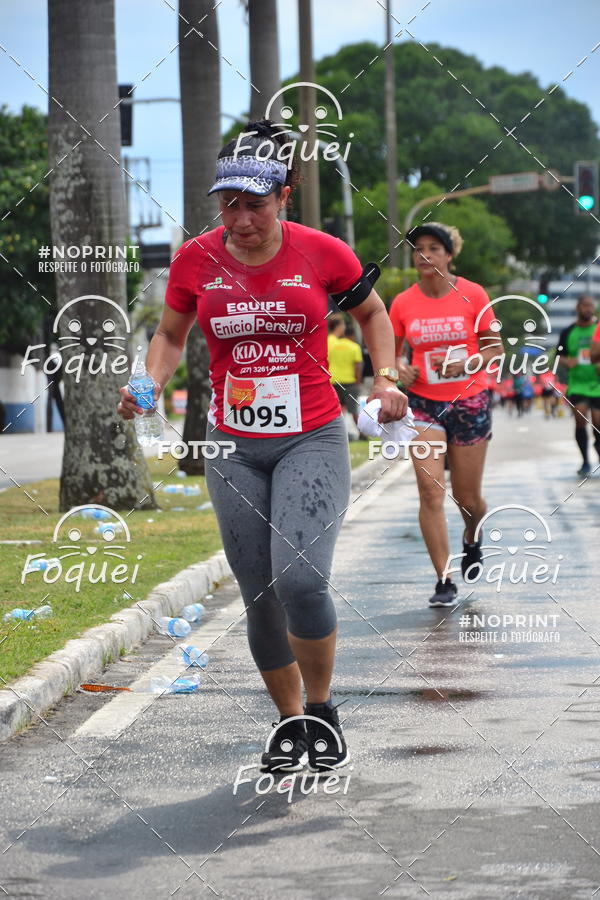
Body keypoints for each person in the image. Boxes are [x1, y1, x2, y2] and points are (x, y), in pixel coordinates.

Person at [117, 120, 407, 773]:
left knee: (301, 578)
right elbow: (168, 336)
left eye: (255, 203)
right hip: (232, 444)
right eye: (228, 204)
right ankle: (290, 721)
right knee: (258, 591)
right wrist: (147, 382)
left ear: (284, 197)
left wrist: (385, 379)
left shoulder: (323, 252)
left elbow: (373, 316)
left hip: (311, 433)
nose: (240, 219)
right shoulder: (196, 259)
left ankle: (324, 705)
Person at [389, 222, 501, 607]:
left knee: (467, 498)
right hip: (424, 405)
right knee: (429, 491)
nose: (424, 255)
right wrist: (398, 372)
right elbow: (389, 356)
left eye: (433, 248)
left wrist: (470, 362)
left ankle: (472, 537)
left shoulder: (472, 293)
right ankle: (443, 579)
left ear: (449, 255)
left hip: (469, 402)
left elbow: (494, 349)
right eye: (418, 249)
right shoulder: (403, 302)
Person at [556, 295, 600, 476]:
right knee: (580, 420)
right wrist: (568, 362)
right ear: (578, 307)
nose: (588, 309)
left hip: (597, 383)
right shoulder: (568, 332)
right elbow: (559, 356)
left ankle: (597, 447)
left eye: (591, 306)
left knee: (598, 423)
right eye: (585, 306)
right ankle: (585, 461)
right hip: (577, 384)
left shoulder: (598, 329)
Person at [328, 321, 364, 425]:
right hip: (350, 382)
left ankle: (339, 430)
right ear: (352, 335)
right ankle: (362, 433)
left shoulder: (332, 345)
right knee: (353, 410)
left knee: (337, 409)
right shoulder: (354, 346)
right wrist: (358, 380)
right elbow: (358, 366)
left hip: (334, 380)